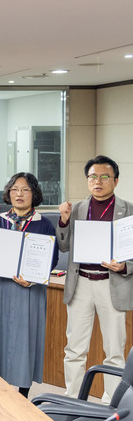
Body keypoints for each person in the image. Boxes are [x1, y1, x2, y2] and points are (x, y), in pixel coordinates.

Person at [58, 155, 133, 401]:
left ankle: (112, 401)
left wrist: (125, 266)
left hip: (112, 284)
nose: (97, 182)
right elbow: (64, 247)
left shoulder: (129, 210)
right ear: (87, 180)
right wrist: (64, 220)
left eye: (104, 177)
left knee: (114, 350)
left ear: (116, 181)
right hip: (80, 284)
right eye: (92, 177)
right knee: (74, 348)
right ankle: (73, 399)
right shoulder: (77, 209)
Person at [0, 173, 59, 398]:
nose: (19, 194)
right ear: (8, 193)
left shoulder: (44, 224)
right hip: (1, 286)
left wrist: (33, 279)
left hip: (30, 288)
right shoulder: (0, 219)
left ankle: (24, 391)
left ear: (34, 194)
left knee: (26, 337)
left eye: (25, 190)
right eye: (14, 189)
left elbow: (51, 259)